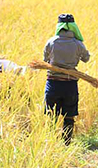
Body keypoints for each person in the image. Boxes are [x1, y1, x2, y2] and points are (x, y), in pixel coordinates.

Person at [44, 14, 90, 146]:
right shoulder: (78, 44)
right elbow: (86, 59)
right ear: (73, 27)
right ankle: (66, 144)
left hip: (52, 84)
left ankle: (50, 144)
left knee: (51, 116)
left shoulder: (51, 42)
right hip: (70, 85)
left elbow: (45, 60)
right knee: (69, 116)